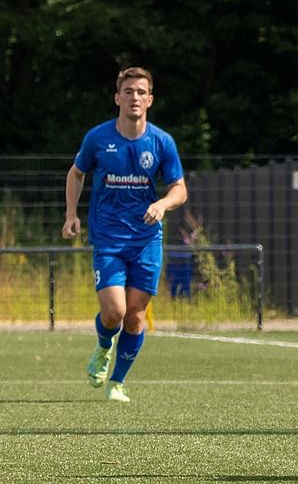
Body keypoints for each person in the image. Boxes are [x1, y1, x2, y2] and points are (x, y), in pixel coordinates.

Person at [62, 67, 187, 402]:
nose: (135, 97)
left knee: (134, 317)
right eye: (128, 91)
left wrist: (162, 204)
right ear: (117, 97)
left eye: (141, 92)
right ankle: (104, 346)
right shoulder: (98, 138)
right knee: (114, 313)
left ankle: (117, 382)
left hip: (146, 240)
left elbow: (179, 189)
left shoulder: (161, 142)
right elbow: (76, 173)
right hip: (108, 238)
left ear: (150, 100)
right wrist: (71, 214)